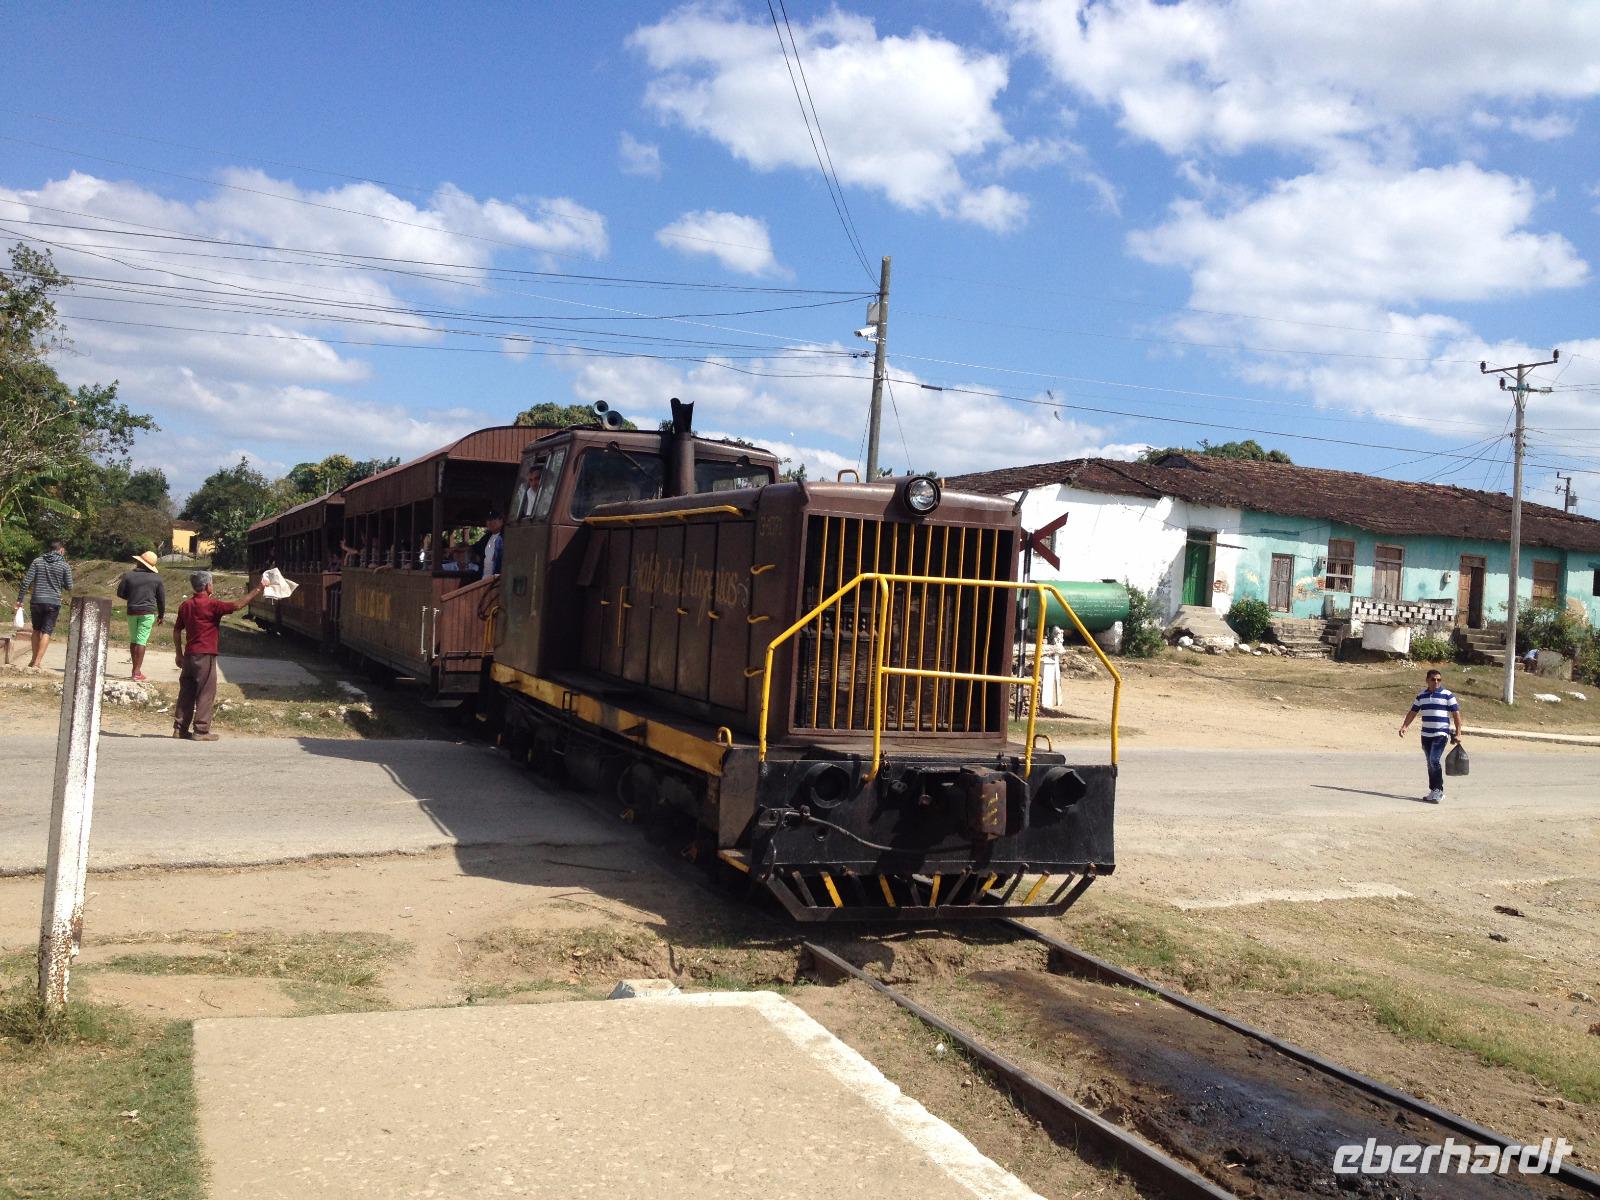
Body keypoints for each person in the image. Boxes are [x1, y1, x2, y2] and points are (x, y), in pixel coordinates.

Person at [172, 570, 266, 742]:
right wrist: (258, 588)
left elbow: (177, 630)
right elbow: (238, 605)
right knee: (206, 691)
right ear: (208, 586)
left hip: (190, 654)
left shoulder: (185, 605)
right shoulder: (211, 604)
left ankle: (180, 728)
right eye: (211, 583)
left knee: (187, 690)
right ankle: (201, 730)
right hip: (205, 653)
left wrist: (179, 653)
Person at [1397, 667, 1462, 804]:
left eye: (1439, 679)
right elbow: (1413, 712)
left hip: (1441, 733)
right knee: (1430, 763)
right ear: (1427, 680)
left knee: (1434, 760)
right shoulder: (1421, 696)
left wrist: (1458, 733)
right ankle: (1433, 790)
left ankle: (1439, 791)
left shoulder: (1447, 695)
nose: (1436, 682)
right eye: (1433, 679)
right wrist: (1405, 726)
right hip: (1426, 734)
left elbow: (1456, 715)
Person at [13, 539, 73, 669]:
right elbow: (69, 586)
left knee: (36, 630)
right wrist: (59, 581)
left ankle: (33, 659)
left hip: (37, 601)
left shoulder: (37, 561)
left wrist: (20, 600)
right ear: (61, 550)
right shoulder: (64, 566)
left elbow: (26, 582)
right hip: (53, 602)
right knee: (47, 631)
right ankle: (37, 663)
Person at [115, 550, 167, 681]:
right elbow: (161, 600)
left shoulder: (129, 576)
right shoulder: (157, 579)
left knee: (134, 640)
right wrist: (161, 615)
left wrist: (132, 597)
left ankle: (135, 669)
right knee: (141, 640)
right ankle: (137, 672)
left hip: (132, 611)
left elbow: (120, 593)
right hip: (148, 612)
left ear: (140, 562)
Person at [473, 512, 505, 577]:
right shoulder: (487, 537)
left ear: (501, 521)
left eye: (493, 519)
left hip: (498, 579)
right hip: (484, 579)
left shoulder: (506, 536)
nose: (490, 522)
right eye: (488, 520)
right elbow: (474, 548)